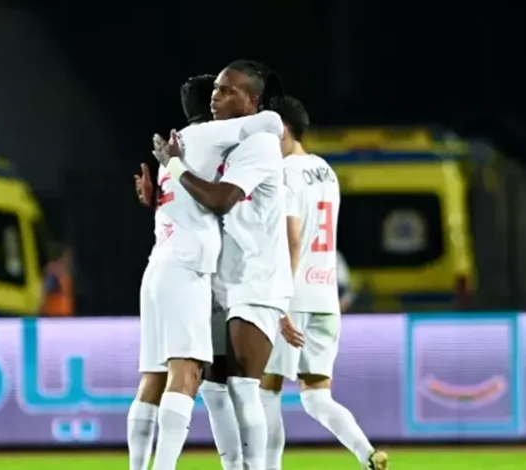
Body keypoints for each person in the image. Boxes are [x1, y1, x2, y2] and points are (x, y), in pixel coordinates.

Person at [152, 59, 298, 470]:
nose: (215, 97)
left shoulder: (260, 143)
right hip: (220, 278)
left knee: (243, 387)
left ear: (251, 100)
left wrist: (173, 164)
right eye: (215, 88)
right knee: (214, 388)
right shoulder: (225, 142)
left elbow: (221, 200)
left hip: (257, 278)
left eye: (227, 90)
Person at [260, 96, 388, 470]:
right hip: (326, 296)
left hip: (293, 296)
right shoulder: (326, 171)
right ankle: (368, 454)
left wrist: (280, 300)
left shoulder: (282, 173)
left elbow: (293, 239)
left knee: (266, 390)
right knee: (316, 397)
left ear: (283, 130)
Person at [130, 73, 247, 470]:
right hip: (186, 269)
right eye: (222, 92)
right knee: (187, 373)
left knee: (153, 378)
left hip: (159, 266)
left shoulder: (175, 146)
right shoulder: (210, 136)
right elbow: (266, 127)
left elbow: (182, 202)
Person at [40, 245, 74, 316]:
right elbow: (47, 291)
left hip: (66, 312)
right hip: (54, 313)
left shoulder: (67, 273)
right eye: (68, 256)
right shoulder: (52, 270)